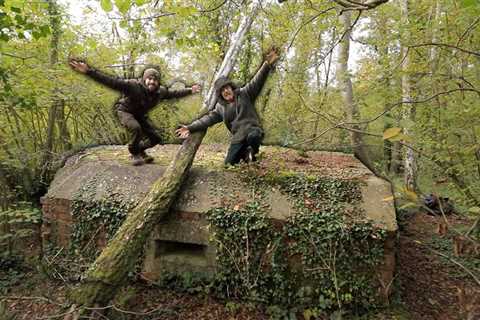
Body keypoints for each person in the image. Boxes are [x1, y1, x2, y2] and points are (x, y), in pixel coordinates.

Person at [69, 59, 201, 166]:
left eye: (155, 80)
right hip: (124, 111)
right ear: (144, 79)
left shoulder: (160, 92)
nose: (152, 82)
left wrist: (190, 90)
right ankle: (134, 152)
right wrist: (89, 71)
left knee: (156, 138)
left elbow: (174, 94)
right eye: (149, 79)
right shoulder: (133, 86)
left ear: (158, 82)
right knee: (136, 128)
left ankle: (141, 150)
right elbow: (111, 81)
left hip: (139, 114)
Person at [175, 47, 279, 165]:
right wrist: (190, 127)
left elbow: (257, 80)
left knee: (254, 136)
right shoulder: (220, 108)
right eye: (222, 91)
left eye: (226, 88)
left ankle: (252, 153)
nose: (225, 91)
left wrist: (266, 65)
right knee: (228, 165)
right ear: (220, 95)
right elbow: (207, 119)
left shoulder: (245, 93)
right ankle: (245, 154)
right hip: (238, 138)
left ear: (231, 87)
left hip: (252, 130)